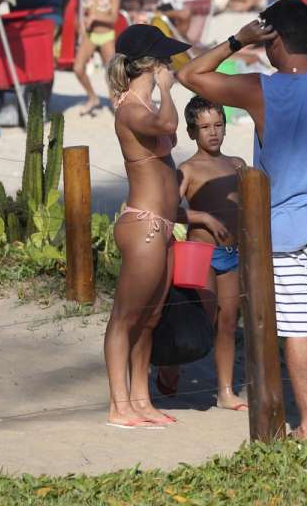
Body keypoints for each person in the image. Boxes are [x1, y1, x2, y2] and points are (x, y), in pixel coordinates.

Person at [177, 0, 307, 436]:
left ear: (272, 38)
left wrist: (238, 40)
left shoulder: (260, 89)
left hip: (283, 232)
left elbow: (188, 75)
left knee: (298, 330)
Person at [103, 24, 195, 428]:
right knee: (125, 317)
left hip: (162, 226)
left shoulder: (144, 105)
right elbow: (166, 128)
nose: (169, 65)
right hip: (142, 226)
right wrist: (168, 90)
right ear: (149, 64)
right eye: (163, 59)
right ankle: (117, 404)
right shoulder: (132, 109)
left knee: (151, 319)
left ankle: (140, 399)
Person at [169, 96, 248, 410]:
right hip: (200, 253)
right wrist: (202, 217)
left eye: (218, 125)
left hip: (231, 253)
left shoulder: (238, 165)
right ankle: (169, 366)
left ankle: (225, 390)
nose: (213, 132)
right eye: (204, 127)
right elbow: (169, 210)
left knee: (228, 322)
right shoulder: (187, 169)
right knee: (201, 317)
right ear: (192, 133)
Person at [73, 0, 121, 116]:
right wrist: (83, 22)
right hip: (91, 35)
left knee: (111, 73)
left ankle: (114, 101)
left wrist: (96, 16)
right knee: (78, 68)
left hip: (106, 35)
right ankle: (92, 97)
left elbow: (114, 18)